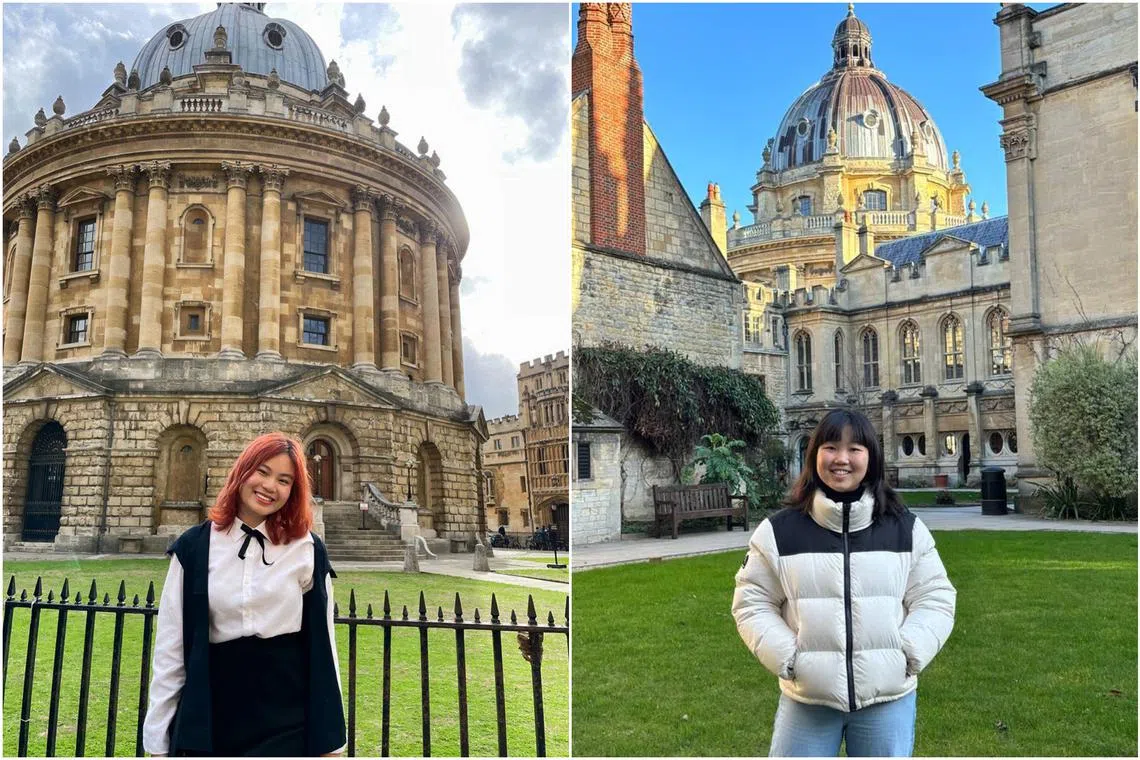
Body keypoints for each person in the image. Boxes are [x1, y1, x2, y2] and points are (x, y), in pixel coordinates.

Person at [732, 409, 956, 757]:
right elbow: (752, 602)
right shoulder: (779, 531)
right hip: (808, 699)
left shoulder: (905, 529)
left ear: (871, 457)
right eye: (831, 447)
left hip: (886, 699)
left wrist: (908, 653)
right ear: (815, 454)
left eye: (855, 449)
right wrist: (790, 658)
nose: (842, 459)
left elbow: (936, 598)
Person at [143, 432, 347, 757]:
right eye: (262, 472)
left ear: (293, 491)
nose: (269, 486)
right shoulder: (194, 548)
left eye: (284, 480)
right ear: (242, 471)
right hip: (213, 715)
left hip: (288, 719)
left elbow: (325, 648)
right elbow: (170, 652)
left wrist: (333, 741)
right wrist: (157, 744)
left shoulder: (306, 550)